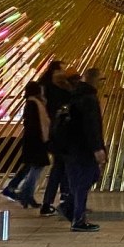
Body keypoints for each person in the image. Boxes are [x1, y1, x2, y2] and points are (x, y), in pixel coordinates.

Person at [60, 67, 107, 232]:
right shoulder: (89, 98)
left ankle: (70, 208)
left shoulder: (74, 95)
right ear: (95, 80)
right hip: (84, 148)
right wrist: (97, 148)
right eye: (102, 80)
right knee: (86, 180)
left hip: (70, 147)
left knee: (82, 180)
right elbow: (91, 126)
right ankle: (77, 218)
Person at [38, 62, 75, 217]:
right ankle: (65, 200)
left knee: (58, 168)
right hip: (65, 136)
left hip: (54, 135)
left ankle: (49, 203)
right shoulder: (65, 93)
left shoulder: (46, 90)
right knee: (65, 168)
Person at [15, 81, 50, 208]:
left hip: (34, 140)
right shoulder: (34, 104)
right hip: (36, 141)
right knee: (37, 167)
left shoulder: (33, 103)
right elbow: (36, 124)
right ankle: (26, 193)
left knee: (35, 167)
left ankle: (26, 194)